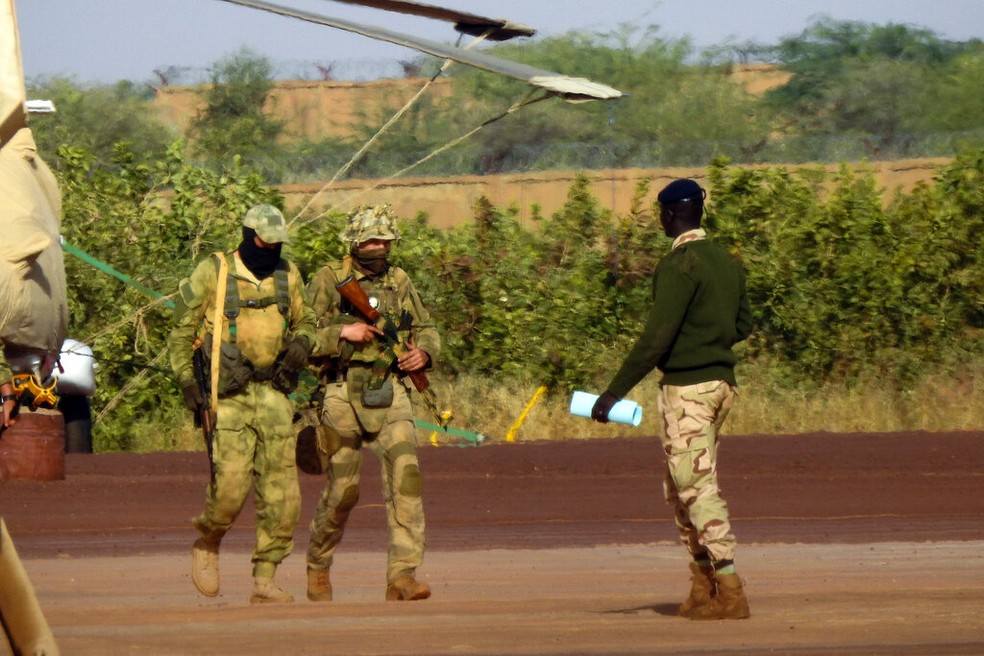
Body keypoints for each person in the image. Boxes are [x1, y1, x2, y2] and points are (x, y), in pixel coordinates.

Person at [591, 178, 753, 620]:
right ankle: (703, 585)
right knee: (679, 486)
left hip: (688, 390)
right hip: (721, 386)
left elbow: (656, 338)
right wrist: (707, 334)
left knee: (697, 488)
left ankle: (731, 588)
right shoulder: (727, 261)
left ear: (669, 214)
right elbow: (743, 325)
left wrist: (612, 393)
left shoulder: (679, 265)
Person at [167, 204, 316, 604]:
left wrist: (303, 342)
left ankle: (265, 578)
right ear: (248, 235)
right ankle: (208, 541)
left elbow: (308, 320)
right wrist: (186, 382)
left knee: (283, 496)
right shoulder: (213, 272)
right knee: (230, 487)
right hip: (227, 398)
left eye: (277, 243)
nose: (270, 249)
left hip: (274, 395)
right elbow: (181, 335)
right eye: (264, 241)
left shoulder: (288, 274)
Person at [304, 205, 440, 602]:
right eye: (370, 240)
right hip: (341, 392)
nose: (378, 247)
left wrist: (425, 355)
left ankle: (403, 575)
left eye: (384, 240)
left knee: (407, 478)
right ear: (354, 241)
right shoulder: (330, 279)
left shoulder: (399, 280)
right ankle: (318, 564)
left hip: (390, 390)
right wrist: (342, 332)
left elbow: (426, 327)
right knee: (343, 492)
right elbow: (301, 334)